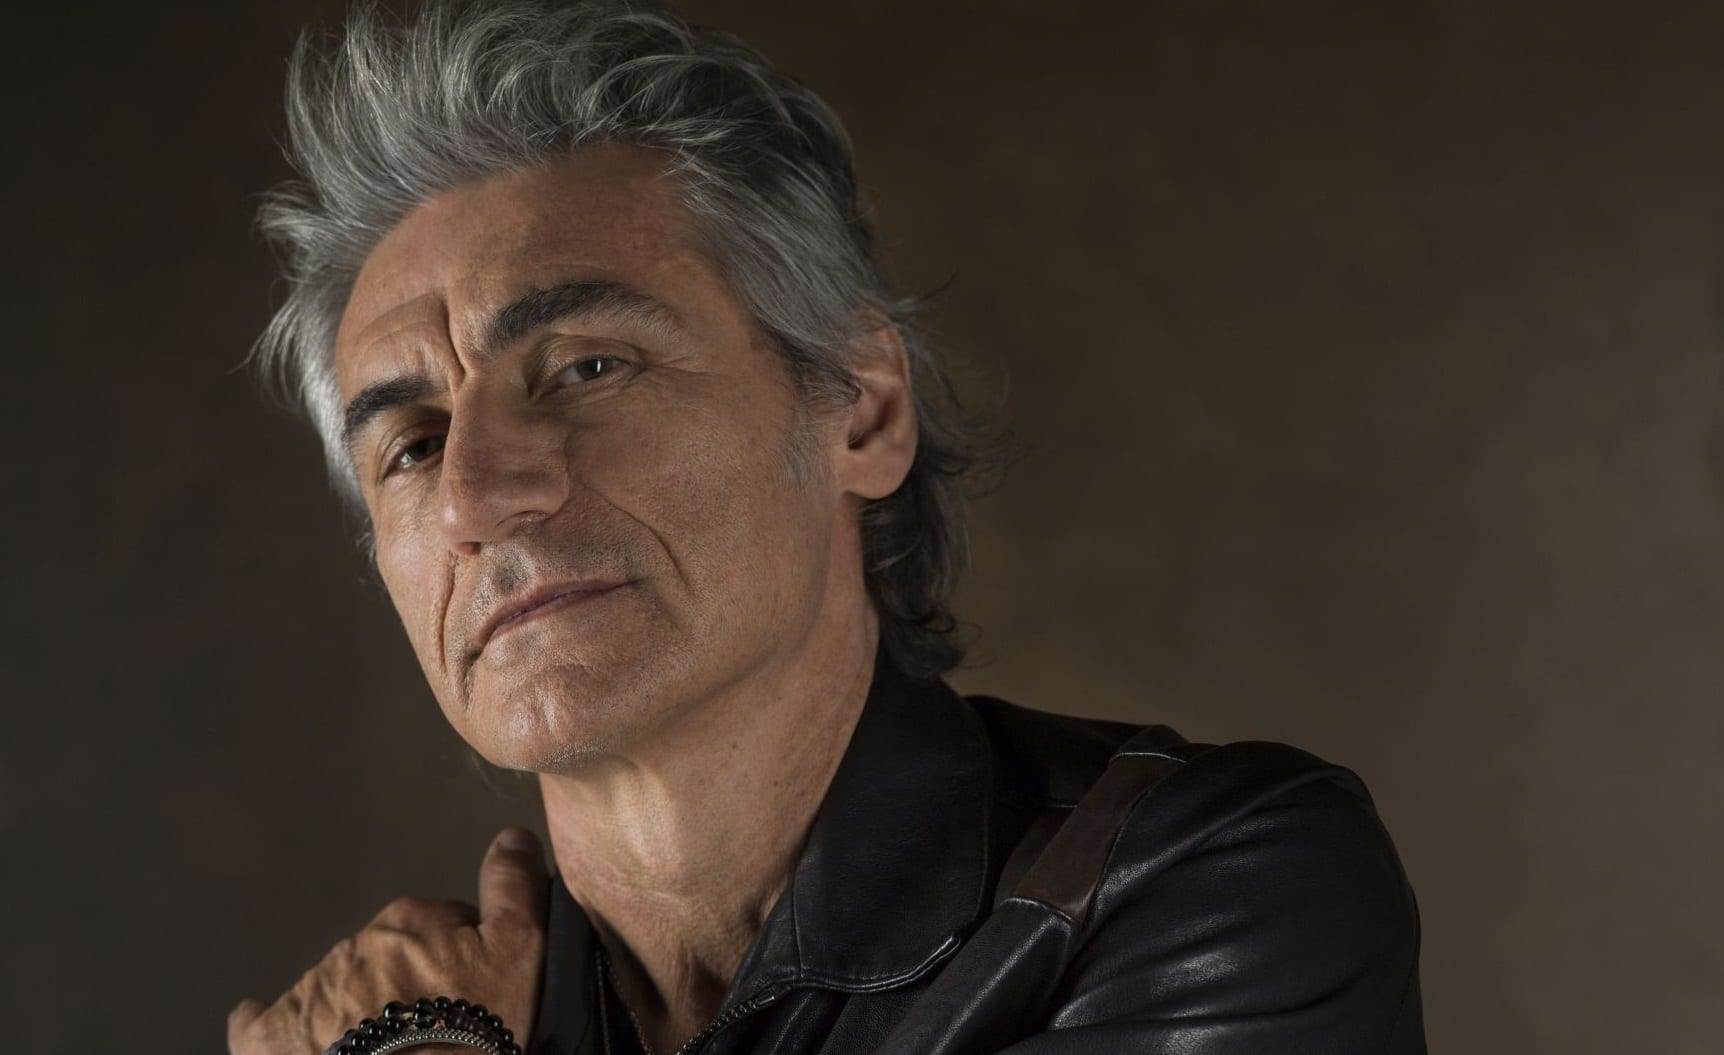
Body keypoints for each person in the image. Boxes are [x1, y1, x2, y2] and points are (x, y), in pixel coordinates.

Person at [225, 3, 1428, 1053]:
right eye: (412, 444)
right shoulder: (441, 1010)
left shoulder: (1217, 881)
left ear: (864, 409)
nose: (475, 495)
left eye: (588, 365)